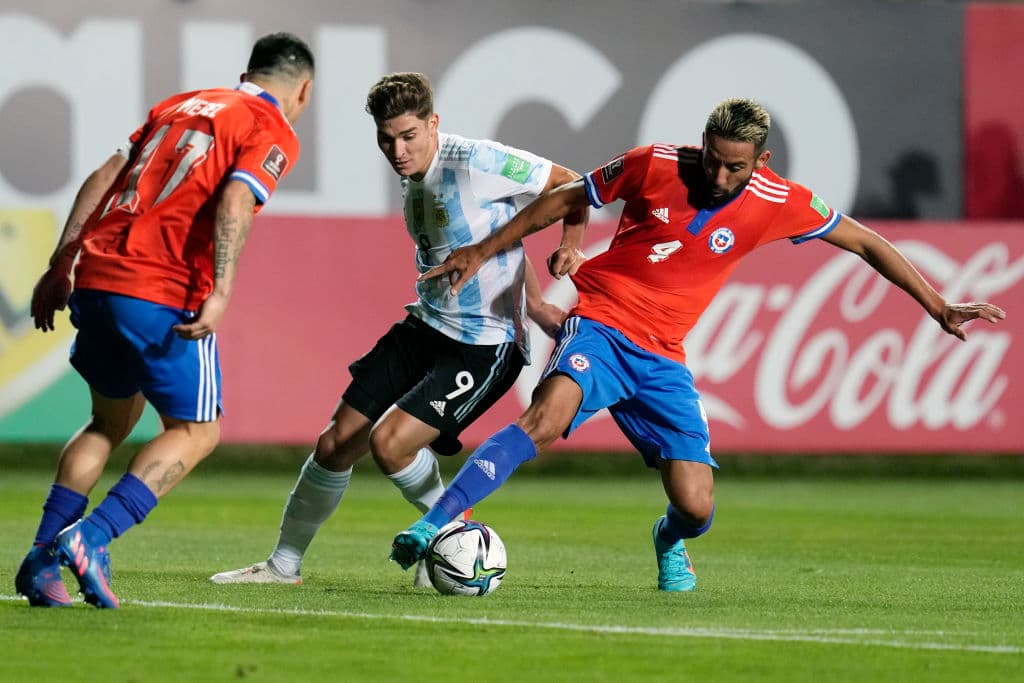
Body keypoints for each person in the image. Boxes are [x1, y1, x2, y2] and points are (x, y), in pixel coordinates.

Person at [389, 97, 1008, 592]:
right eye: (711, 158)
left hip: (664, 357)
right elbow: (566, 197)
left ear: (760, 162)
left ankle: (668, 539)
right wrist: (481, 250)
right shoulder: (653, 163)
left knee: (695, 507)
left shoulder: (780, 201)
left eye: (734, 166)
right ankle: (432, 524)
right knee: (544, 420)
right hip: (602, 324)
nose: (717, 175)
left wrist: (938, 304)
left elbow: (867, 241)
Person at [209, 72, 586, 587]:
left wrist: (570, 244)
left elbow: (571, 185)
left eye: (409, 136)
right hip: (427, 324)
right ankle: (282, 566)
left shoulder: (474, 161)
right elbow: (495, 233)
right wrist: (538, 302)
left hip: (484, 345)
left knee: (390, 445)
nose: (398, 150)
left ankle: (456, 539)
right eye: (387, 139)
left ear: (434, 123)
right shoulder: (413, 177)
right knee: (336, 443)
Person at [15, 33, 316, 609]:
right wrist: (221, 291)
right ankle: (91, 538)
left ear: (245, 70)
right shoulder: (271, 128)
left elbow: (107, 173)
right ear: (303, 90)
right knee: (198, 430)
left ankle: (40, 562)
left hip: (99, 276)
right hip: (161, 288)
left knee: (107, 422)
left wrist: (62, 261)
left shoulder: (179, 104)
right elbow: (234, 200)